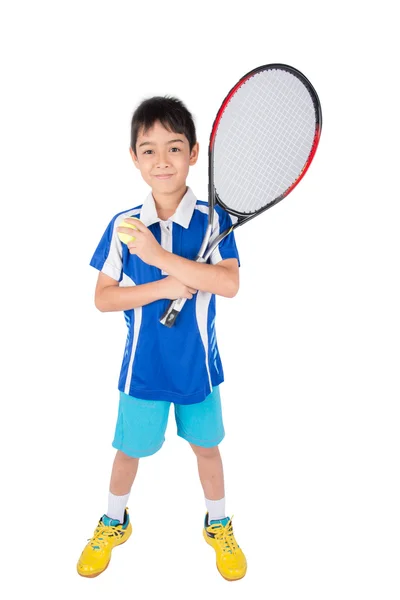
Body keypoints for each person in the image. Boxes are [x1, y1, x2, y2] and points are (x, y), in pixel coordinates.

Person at [76, 96, 247, 581]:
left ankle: (218, 524)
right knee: (128, 451)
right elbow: (104, 298)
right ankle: (114, 520)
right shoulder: (124, 226)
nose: (162, 160)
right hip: (143, 367)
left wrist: (159, 255)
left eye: (174, 148)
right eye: (148, 150)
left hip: (199, 368)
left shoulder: (215, 221)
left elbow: (228, 284)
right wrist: (167, 285)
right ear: (134, 157)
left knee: (208, 450)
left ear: (194, 153)